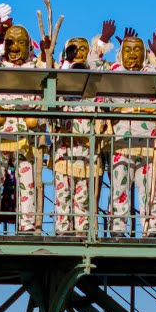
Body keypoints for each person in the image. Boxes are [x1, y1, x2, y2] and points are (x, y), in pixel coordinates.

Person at [94, 23, 156, 237]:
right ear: (120, 54)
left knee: (151, 190)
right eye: (127, 50)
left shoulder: (152, 72)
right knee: (119, 189)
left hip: (147, 142)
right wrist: (103, 41)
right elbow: (90, 66)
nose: (132, 55)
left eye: (137, 50)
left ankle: (152, 229)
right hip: (120, 142)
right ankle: (117, 229)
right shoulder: (113, 72)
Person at [0, 19, 45, 233]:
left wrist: (46, 53)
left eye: (20, 43)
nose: (14, 48)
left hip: (25, 130)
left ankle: (26, 226)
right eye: (10, 42)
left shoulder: (36, 65)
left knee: (27, 181)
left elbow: (52, 73)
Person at [49, 37, 98, 235]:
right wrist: (67, 65)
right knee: (63, 192)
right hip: (64, 150)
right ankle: (63, 229)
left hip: (85, 152)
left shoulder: (92, 96)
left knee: (82, 194)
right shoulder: (62, 93)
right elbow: (53, 98)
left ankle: (81, 230)